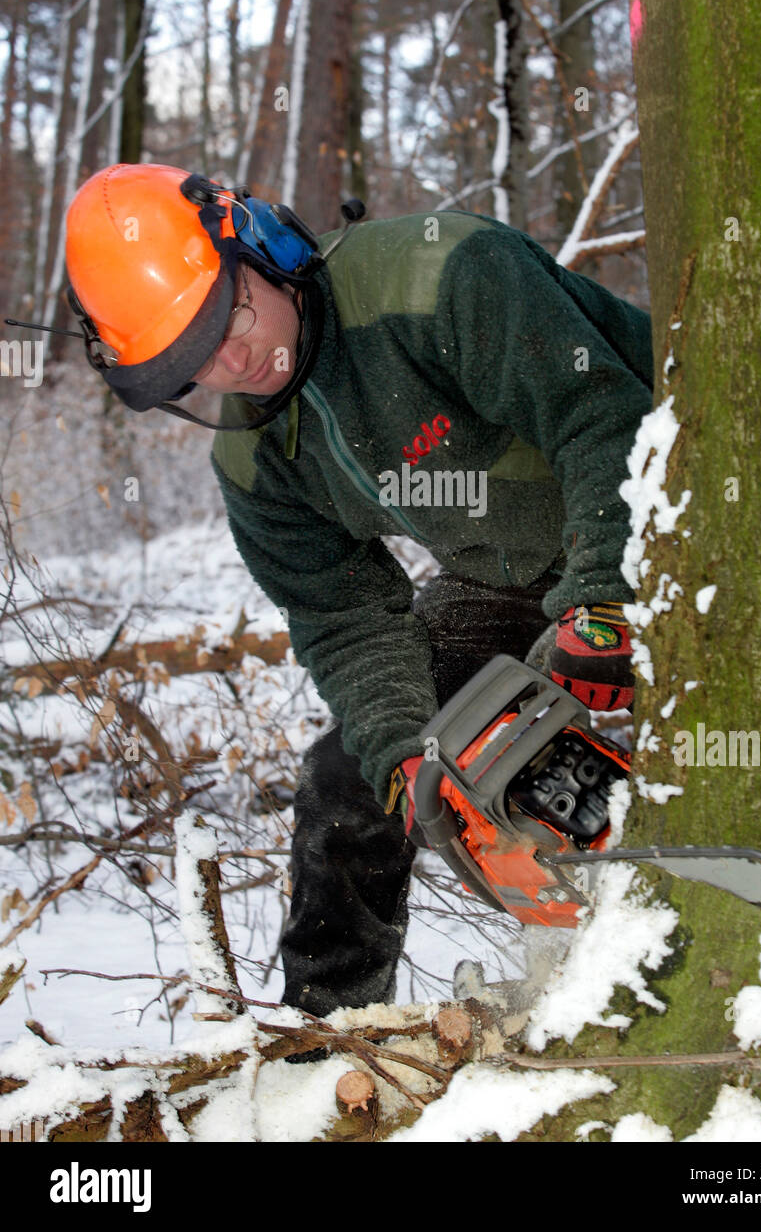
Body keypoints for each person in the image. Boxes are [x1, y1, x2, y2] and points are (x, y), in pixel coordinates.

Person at [60, 161, 653, 1019]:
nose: (235, 361)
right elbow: (341, 614)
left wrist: (602, 596)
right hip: (505, 574)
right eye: (194, 366)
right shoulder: (255, 461)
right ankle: (331, 1033)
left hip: (675, 506)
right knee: (350, 780)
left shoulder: (437, 278)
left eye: (229, 316)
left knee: (608, 683)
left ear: (262, 249)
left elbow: (602, 417)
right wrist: (403, 752)